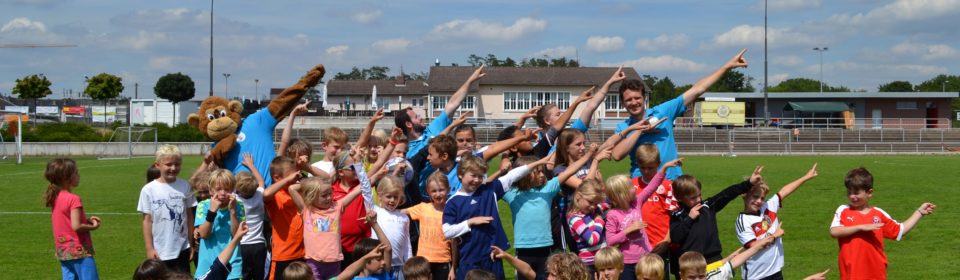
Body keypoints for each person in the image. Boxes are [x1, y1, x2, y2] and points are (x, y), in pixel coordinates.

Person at [610, 49, 749, 180]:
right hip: (642, 186)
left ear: (644, 98)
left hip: (671, 181)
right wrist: (640, 131)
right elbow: (616, 155)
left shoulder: (663, 111)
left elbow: (698, 89)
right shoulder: (624, 128)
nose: (634, 102)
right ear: (623, 103)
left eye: (637, 98)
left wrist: (727, 67)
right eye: (628, 100)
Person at [829, 167, 936, 280]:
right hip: (851, 273)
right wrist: (860, 227)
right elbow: (834, 231)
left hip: (876, 272)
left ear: (869, 193)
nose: (852, 196)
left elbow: (900, 230)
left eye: (856, 193)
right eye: (849, 192)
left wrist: (919, 212)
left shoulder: (879, 214)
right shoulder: (843, 210)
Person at [442, 153, 536, 279]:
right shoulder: (453, 202)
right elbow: (447, 232)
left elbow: (512, 176)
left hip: (492, 257)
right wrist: (470, 222)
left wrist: (538, 163)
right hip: (469, 259)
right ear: (460, 174)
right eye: (473, 175)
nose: (477, 180)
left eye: (480, 176)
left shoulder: (489, 190)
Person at [504, 152, 591, 280]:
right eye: (537, 172)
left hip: (545, 249)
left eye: (542, 172)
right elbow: (492, 185)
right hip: (523, 250)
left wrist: (588, 156)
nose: (542, 175)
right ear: (524, 175)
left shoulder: (547, 190)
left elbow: (568, 171)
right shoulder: (511, 194)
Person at [669, 166, 763, 279]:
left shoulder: (707, 206)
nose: (698, 199)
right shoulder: (677, 215)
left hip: (714, 261)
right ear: (679, 198)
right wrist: (689, 219)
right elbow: (675, 237)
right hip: (692, 266)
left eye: (699, 195)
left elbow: (726, 194)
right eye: (693, 198)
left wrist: (749, 183)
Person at [734, 163, 818, 280]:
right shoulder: (743, 222)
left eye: (762, 198)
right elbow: (754, 246)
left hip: (775, 271)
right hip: (757, 276)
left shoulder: (768, 207)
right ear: (745, 195)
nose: (759, 201)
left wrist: (806, 177)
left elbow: (784, 191)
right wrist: (774, 236)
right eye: (755, 196)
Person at [604, 158, 680, 280]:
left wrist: (664, 168)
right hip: (627, 263)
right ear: (620, 194)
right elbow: (610, 241)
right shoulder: (612, 214)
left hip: (645, 258)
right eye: (629, 187)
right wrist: (628, 230)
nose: (634, 188)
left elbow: (652, 187)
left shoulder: (636, 203)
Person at [286, 175, 366, 280]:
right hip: (314, 262)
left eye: (330, 193)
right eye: (324, 195)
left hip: (334, 262)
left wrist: (376, 174)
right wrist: (312, 184)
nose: (329, 198)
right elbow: (292, 188)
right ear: (312, 196)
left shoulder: (336, 207)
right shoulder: (306, 210)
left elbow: (356, 191)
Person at [396, 66, 484, 159]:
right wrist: (452, 125)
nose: (421, 117)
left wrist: (470, 81)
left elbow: (452, 104)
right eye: (416, 117)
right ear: (409, 124)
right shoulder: (410, 152)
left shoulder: (432, 129)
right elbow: (432, 147)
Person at [138, 144, 195, 273]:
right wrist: (149, 248)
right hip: (160, 249)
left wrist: (191, 244)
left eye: (177, 164)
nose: (173, 168)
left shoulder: (185, 186)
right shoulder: (148, 190)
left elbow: (189, 216)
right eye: (168, 164)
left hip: (182, 248)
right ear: (158, 165)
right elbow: (147, 221)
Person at [44, 158, 101, 279]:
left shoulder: (55, 197)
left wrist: (86, 220)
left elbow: (66, 221)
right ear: (66, 178)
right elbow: (76, 226)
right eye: (76, 173)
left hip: (63, 251)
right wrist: (93, 226)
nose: (78, 175)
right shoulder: (73, 199)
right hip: (79, 251)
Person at [194, 169, 245, 280]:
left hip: (232, 264)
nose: (222, 193)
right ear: (211, 190)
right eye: (218, 189)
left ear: (233, 190)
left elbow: (237, 235)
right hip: (207, 265)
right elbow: (204, 235)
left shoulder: (238, 205)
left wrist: (232, 212)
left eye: (227, 189)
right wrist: (212, 211)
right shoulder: (203, 205)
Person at [404, 172, 455, 280]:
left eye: (441, 190)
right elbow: (401, 212)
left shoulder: (452, 212)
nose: (438, 194)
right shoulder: (423, 208)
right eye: (434, 191)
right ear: (428, 192)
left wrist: (453, 268)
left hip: (443, 261)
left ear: (448, 189)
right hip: (423, 261)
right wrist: (380, 211)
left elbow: (455, 243)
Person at [677, 229, 779, 280]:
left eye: (701, 276)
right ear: (681, 276)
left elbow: (735, 262)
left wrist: (760, 244)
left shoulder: (713, 277)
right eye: (692, 277)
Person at [263, 156, 304, 280]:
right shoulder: (277, 196)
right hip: (283, 255)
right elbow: (265, 194)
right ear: (276, 178)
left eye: (296, 175)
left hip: (304, 253)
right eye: (290, 176)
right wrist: (287, 181)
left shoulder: (299, 191)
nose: (294, 179)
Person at [235, 153, 268, 280]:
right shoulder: (260, 196)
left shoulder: (236, 200)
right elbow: (261, 181)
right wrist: (250, 165)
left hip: (242, 245)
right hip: (259, 245)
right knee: (259, 276)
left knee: (244, 276)